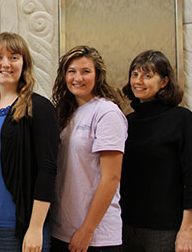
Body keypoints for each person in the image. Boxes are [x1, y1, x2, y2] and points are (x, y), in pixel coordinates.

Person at [0, 32, 59, 252]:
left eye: (14, 57)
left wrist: (36, 227)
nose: (5, 63)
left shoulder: (40, 107)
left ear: (24, 64)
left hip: (18, 228)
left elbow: (48, 170)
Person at [120, 50, 192, 252]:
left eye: (147, 75)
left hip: (165, 230)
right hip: (125, 225)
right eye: (135, 74)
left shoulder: (182, 119)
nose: (138, 81)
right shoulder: (127, 122)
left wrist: (186, 230)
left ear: (164, 81)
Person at [51, 45, 127, 252]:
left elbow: (111, 177)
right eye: (72, 72)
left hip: (96, 237)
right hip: (62, 230)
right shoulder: (66, 114)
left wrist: (88, 229)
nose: (78, 78)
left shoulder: (106, 112)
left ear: (98, 76)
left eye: (86, 71)